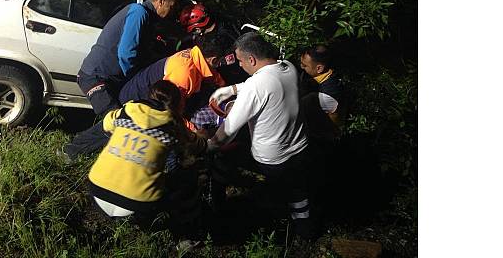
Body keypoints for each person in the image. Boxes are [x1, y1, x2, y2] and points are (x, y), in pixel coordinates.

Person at [206, 32, 315, 238]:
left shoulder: (255, 87)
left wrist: (209, 146)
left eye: (239, 61)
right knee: (298, 190)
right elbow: (265, 82)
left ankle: (219, 205)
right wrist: (232, 89)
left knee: (222, 157)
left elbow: (228, 131)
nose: (238, 65)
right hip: (300, 148)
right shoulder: (288, 68)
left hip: (272, 159)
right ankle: (305, 231)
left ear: (252, 59)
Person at [62, 0, 177, 159]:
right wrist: (135, 78)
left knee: (119, 119)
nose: (172, 12)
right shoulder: (139, 13)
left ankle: (89, 154)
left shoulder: (145, 17)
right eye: (172, 7)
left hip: (107, 77)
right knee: (117, 121)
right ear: (161, 2)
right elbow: (126, 53)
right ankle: (70, 152)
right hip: (96, 76)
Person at [87, 80, 205, 242]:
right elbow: (197, 146)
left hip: (96, 189)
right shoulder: (173, 126)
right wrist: (205, 138)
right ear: (178, 104)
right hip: (136, 202)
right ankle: (187, 235)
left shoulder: (128, 110)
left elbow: (107, 124)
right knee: (189, 177)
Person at [299, 45, 344, 143]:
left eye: (305, 65)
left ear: (319, 68)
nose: (301, 67)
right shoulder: (328, 73)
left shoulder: (326, 95)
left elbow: (334, 117)